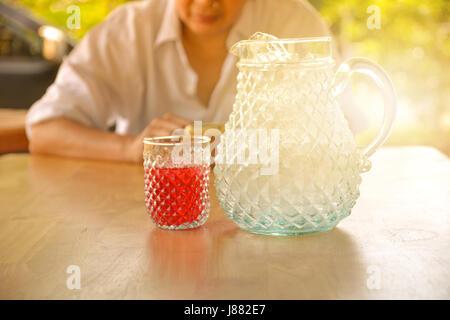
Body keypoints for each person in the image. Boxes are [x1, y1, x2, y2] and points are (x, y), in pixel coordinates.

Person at [26, 0, 332, 163]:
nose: (206, 2)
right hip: (144, 220)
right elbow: (44, 131)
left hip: (268, 215)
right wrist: (129, 148)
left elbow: (334, 129)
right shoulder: (128, 30)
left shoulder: (294, 24)